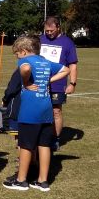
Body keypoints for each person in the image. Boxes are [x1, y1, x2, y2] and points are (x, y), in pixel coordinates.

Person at [3, 35, 69, 192]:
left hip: (29, 110)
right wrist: (48, 80)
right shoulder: (45, 62)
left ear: (24, 51)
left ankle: (21, 180)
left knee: (25, 145)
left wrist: (26, 81)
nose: (17, 57)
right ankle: (42, 181)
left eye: (17, 54)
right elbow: (65, 70)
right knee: (44, 145)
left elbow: (25, 69)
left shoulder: (25, 61)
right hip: (46, 109)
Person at [39, 16, 78, 150]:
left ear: (58, 28)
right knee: (39, 110)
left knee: (56, 111)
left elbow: (72, 64)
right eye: (46, 31)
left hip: (58, 84)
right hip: (39, 82)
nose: (49, 33)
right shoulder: (40, 40)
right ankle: (40, 137)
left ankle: (55, 139)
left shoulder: (67, 42)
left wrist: (72, 83)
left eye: (51, 30)